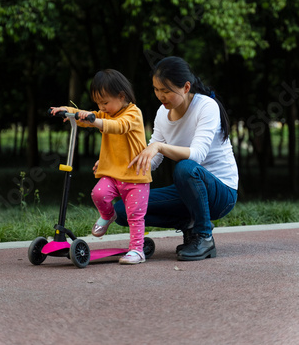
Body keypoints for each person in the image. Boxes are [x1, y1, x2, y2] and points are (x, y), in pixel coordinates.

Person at [114, 56, 239, 261]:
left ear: (186, 87)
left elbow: (197, 155)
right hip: (188, 191)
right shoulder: (162, 114)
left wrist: (159, 146)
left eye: (166, 90)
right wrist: (115, 167)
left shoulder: (206, 106)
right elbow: (151, 162)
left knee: (185, 168)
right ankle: (188, 224)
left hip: (222, 193)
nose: (160, 96)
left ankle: (203, 236)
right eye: (156, 89)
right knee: (122, 210)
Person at [51, 69, 152, 265]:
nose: (101, 107)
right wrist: (69, 111)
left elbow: (118, 126)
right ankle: (108, 215)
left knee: (135, 216)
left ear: (121, 96)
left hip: (136, 177)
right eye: (98, 103)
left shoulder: (133, 113)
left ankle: (137, 250)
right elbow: (89, 117)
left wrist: (95, 120)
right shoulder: (106, 113)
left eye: (105, 102)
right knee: (98, 193)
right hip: (113, 174)